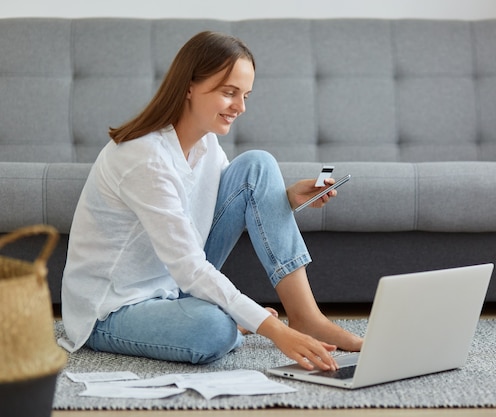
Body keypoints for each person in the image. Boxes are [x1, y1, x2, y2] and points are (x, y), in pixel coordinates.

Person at [58, 31, 363, 371]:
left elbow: (240, 197)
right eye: (229, 92)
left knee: (258, 165)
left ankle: (305, 316)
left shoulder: (205, 146)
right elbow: (189, 267)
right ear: (189, 86)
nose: (240, 107)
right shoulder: (144, 158)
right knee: (214, 330)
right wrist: (272, 330)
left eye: (245, 95)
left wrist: (288, 198)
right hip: (114, 309)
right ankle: (229, 319)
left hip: (173, 285)